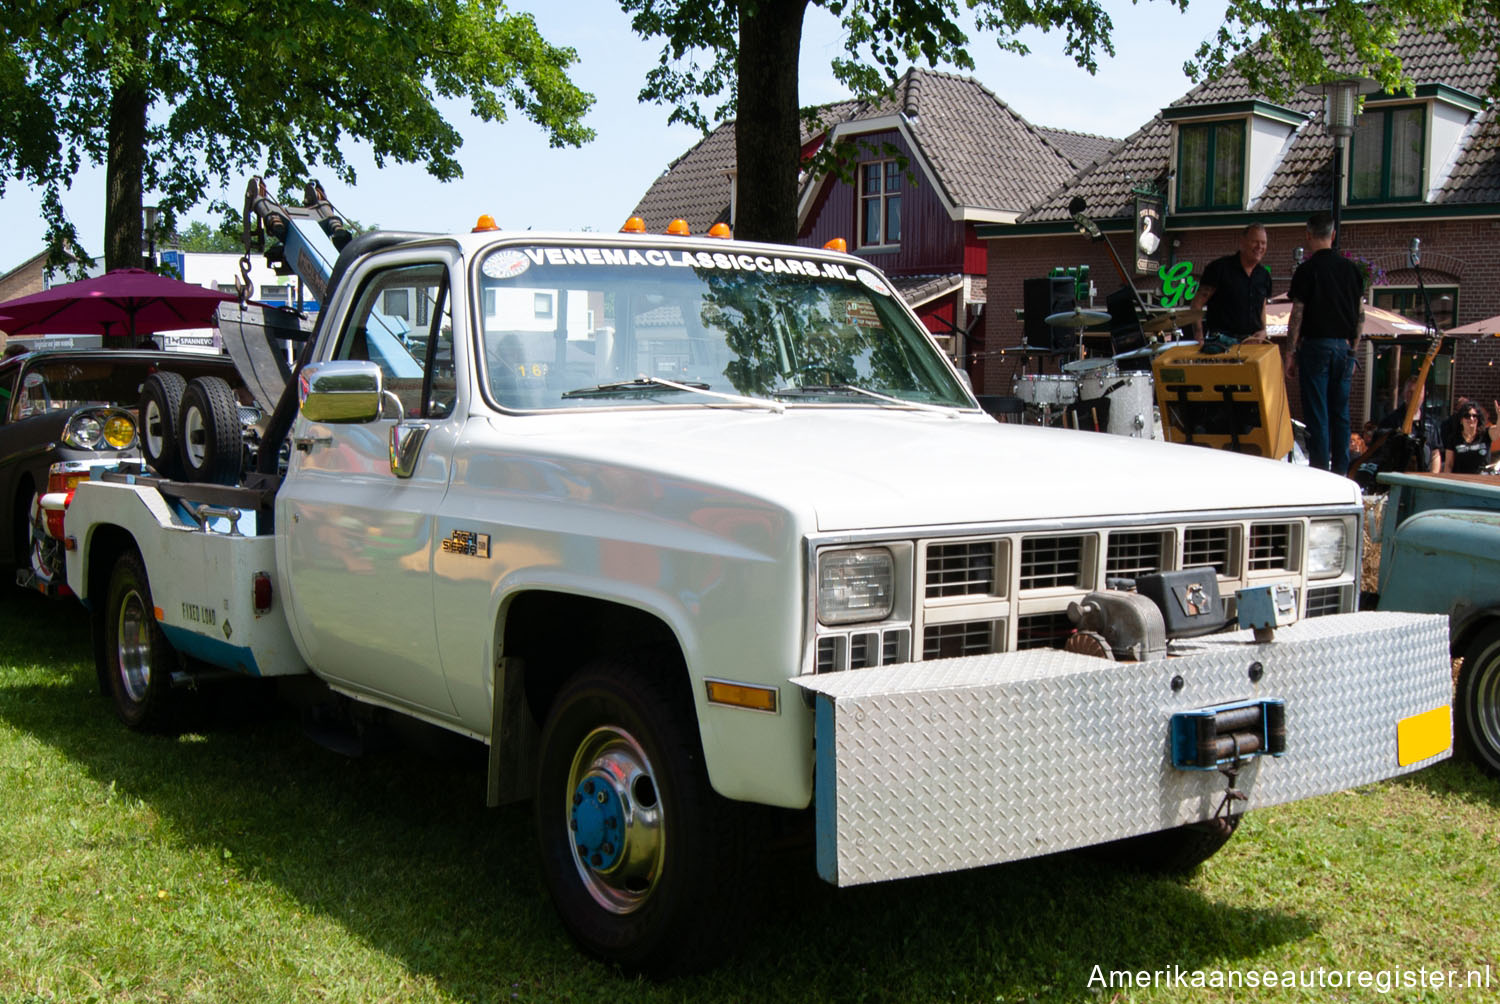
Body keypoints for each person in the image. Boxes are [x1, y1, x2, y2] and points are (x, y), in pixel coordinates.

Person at [1283, 211, 1365, 474]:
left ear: (1308, 236)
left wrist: (1290, 352)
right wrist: (1353, 349)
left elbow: (1298, 314)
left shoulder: (1306, 271)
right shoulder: (1352, 271)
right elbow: (1360, 316)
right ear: (1333, 235)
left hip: (1316, 346)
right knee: (1340, 414)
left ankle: (1320, 470)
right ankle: (1341, 472)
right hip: (1343, 348)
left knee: (1318, 414)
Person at [1190, 223, 1271, 344]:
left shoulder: (1264, 275)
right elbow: (1196, 304)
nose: (1260, 246)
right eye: (1255, 242)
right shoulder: (1219, 268)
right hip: (1221, 343)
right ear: (1242, 242)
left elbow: (1262, 307)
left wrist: (1264, 330)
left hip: (1253, 344)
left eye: (1263, 243)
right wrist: (1199, 336)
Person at [1443, 400, 1500, 473]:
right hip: (1460, 480)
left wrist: (1499, 416)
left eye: (1474, 416)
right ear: (1461, 420)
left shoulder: (1486, 434)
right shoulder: (1453, 438)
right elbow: (1449, 464)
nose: (1471, 419)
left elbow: (1498, 431)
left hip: (1482, 480)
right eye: (1467, 416)